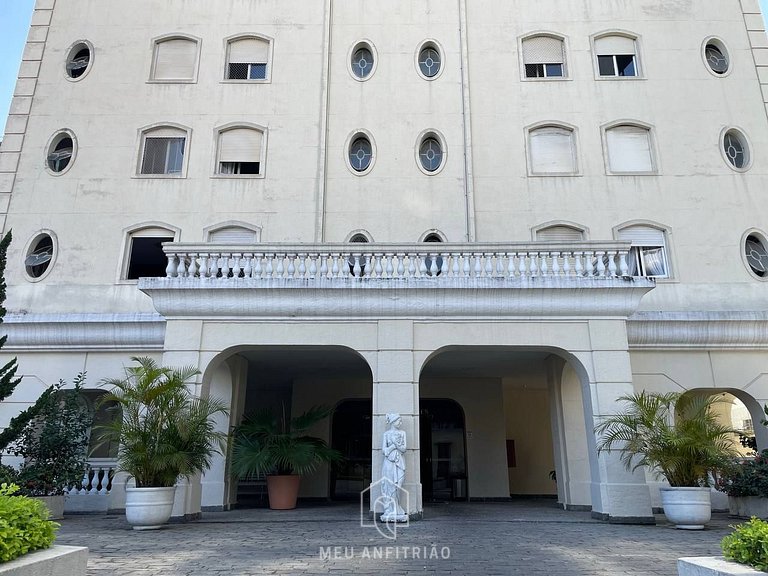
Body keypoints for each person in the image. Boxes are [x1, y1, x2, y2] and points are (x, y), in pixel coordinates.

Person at [380, 413, 406, 521]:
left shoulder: (402, 433)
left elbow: (404, 449)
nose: (400, 423)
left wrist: (397, 444)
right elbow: (384, 451)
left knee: (398, 486)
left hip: (399, 461)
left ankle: (397, 508)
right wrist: (393, 445)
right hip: (389, 463)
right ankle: (390, 509)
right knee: (389, 486)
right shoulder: (386, 434)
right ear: (393, 421)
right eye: (398, 421)